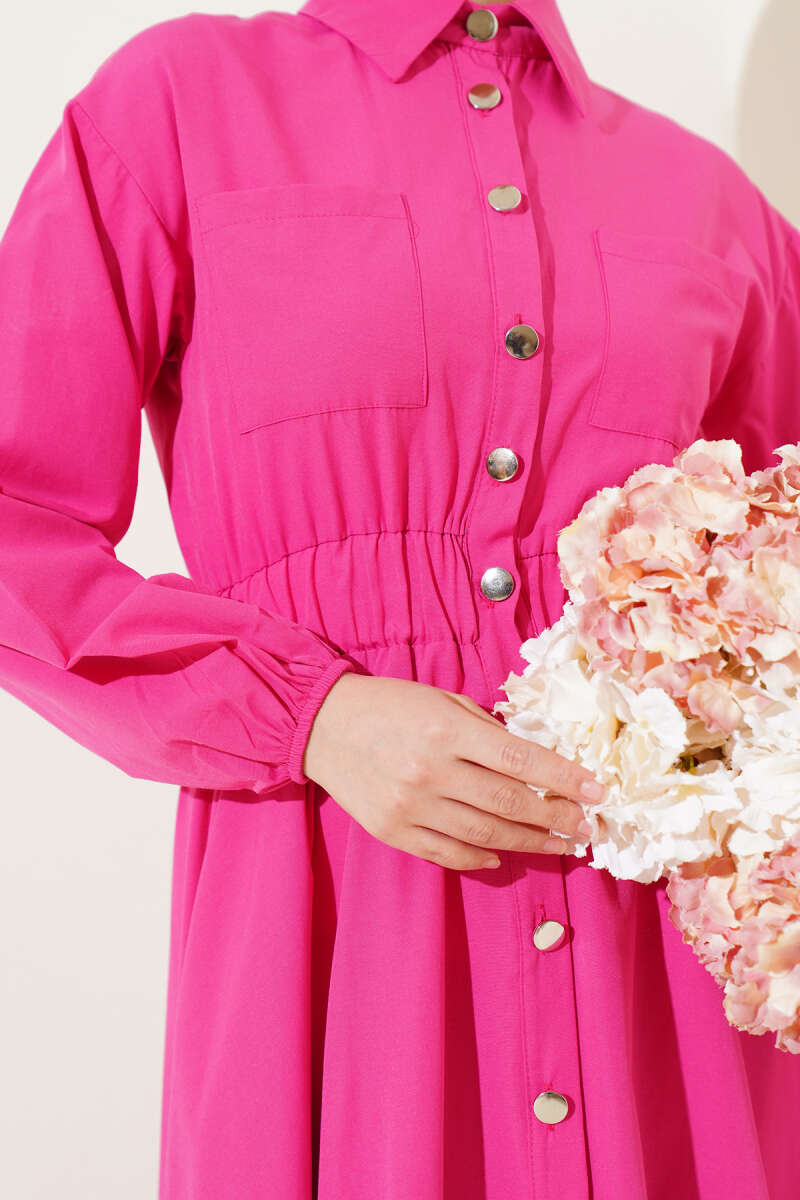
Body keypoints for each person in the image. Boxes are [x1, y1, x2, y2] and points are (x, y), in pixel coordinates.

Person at [1, 1, 798, 1196]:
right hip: (331, 937)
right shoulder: (178, 106)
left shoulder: (710, 202)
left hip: (667, 1000)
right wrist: (310, 715)